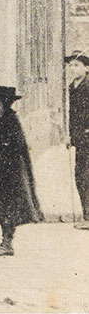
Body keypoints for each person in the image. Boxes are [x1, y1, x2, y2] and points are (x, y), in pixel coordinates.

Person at [0, 86, 43, 256]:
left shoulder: (10, 120)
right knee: (2, 205)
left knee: (8, 205)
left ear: (1, 103)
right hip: (1, 168)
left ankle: (7, 244)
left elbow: (15, 145)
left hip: (12, 170)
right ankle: (5, 242)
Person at [67, 52, 89, 228]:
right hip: (80, 137)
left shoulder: (88, 85)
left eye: (77, 65)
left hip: (87, 136)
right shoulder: (72, 86)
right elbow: (73, 115)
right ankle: (86, 214)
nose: (72, 68)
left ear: (86, 68)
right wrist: (70, 135)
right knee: (80, 175)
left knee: (84, 175)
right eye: (71, 65)